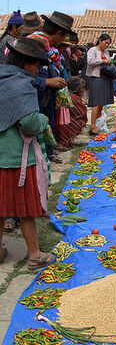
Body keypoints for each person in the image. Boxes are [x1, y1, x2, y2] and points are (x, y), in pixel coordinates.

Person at [0, 37, 53, 269]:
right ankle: (34, 254)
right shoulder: (22, 85)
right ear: (24, 62)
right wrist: (43, 119)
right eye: (35, 65)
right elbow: (29, 123)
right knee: (27, 210)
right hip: (17, 158)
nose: (37, 70)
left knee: (0, 209)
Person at [29, 11, 75, 163]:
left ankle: (47, 154)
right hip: (33, 100)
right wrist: (48, 82)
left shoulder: (48, 49)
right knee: (35, 135)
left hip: (46, 97)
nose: (62, 41)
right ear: (59, 33)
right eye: (63, 37)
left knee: (47, 128)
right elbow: (22, 76)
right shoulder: (32, 45)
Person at [86, 33, 114, 135]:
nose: (106, 45)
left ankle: (98, 123)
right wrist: (103, 60)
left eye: (108, 44)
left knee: (102, 103)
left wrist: (107, 61)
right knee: (96, 103)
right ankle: (92, 126)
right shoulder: (92, 50)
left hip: (105, 78)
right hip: (96, 78)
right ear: (100, 40)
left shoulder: (106, 52)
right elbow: (90, 61)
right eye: (105, 43)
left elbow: (108, 62)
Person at [53, 77, 88, 148]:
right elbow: (81, 113)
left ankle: (67, 140)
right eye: (82, 88)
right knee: (76, 122)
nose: (83, 90)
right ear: (77, 89)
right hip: (64, 122)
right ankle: (63, 142)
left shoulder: (69, 95)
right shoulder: (73, 98)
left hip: (63, 121)